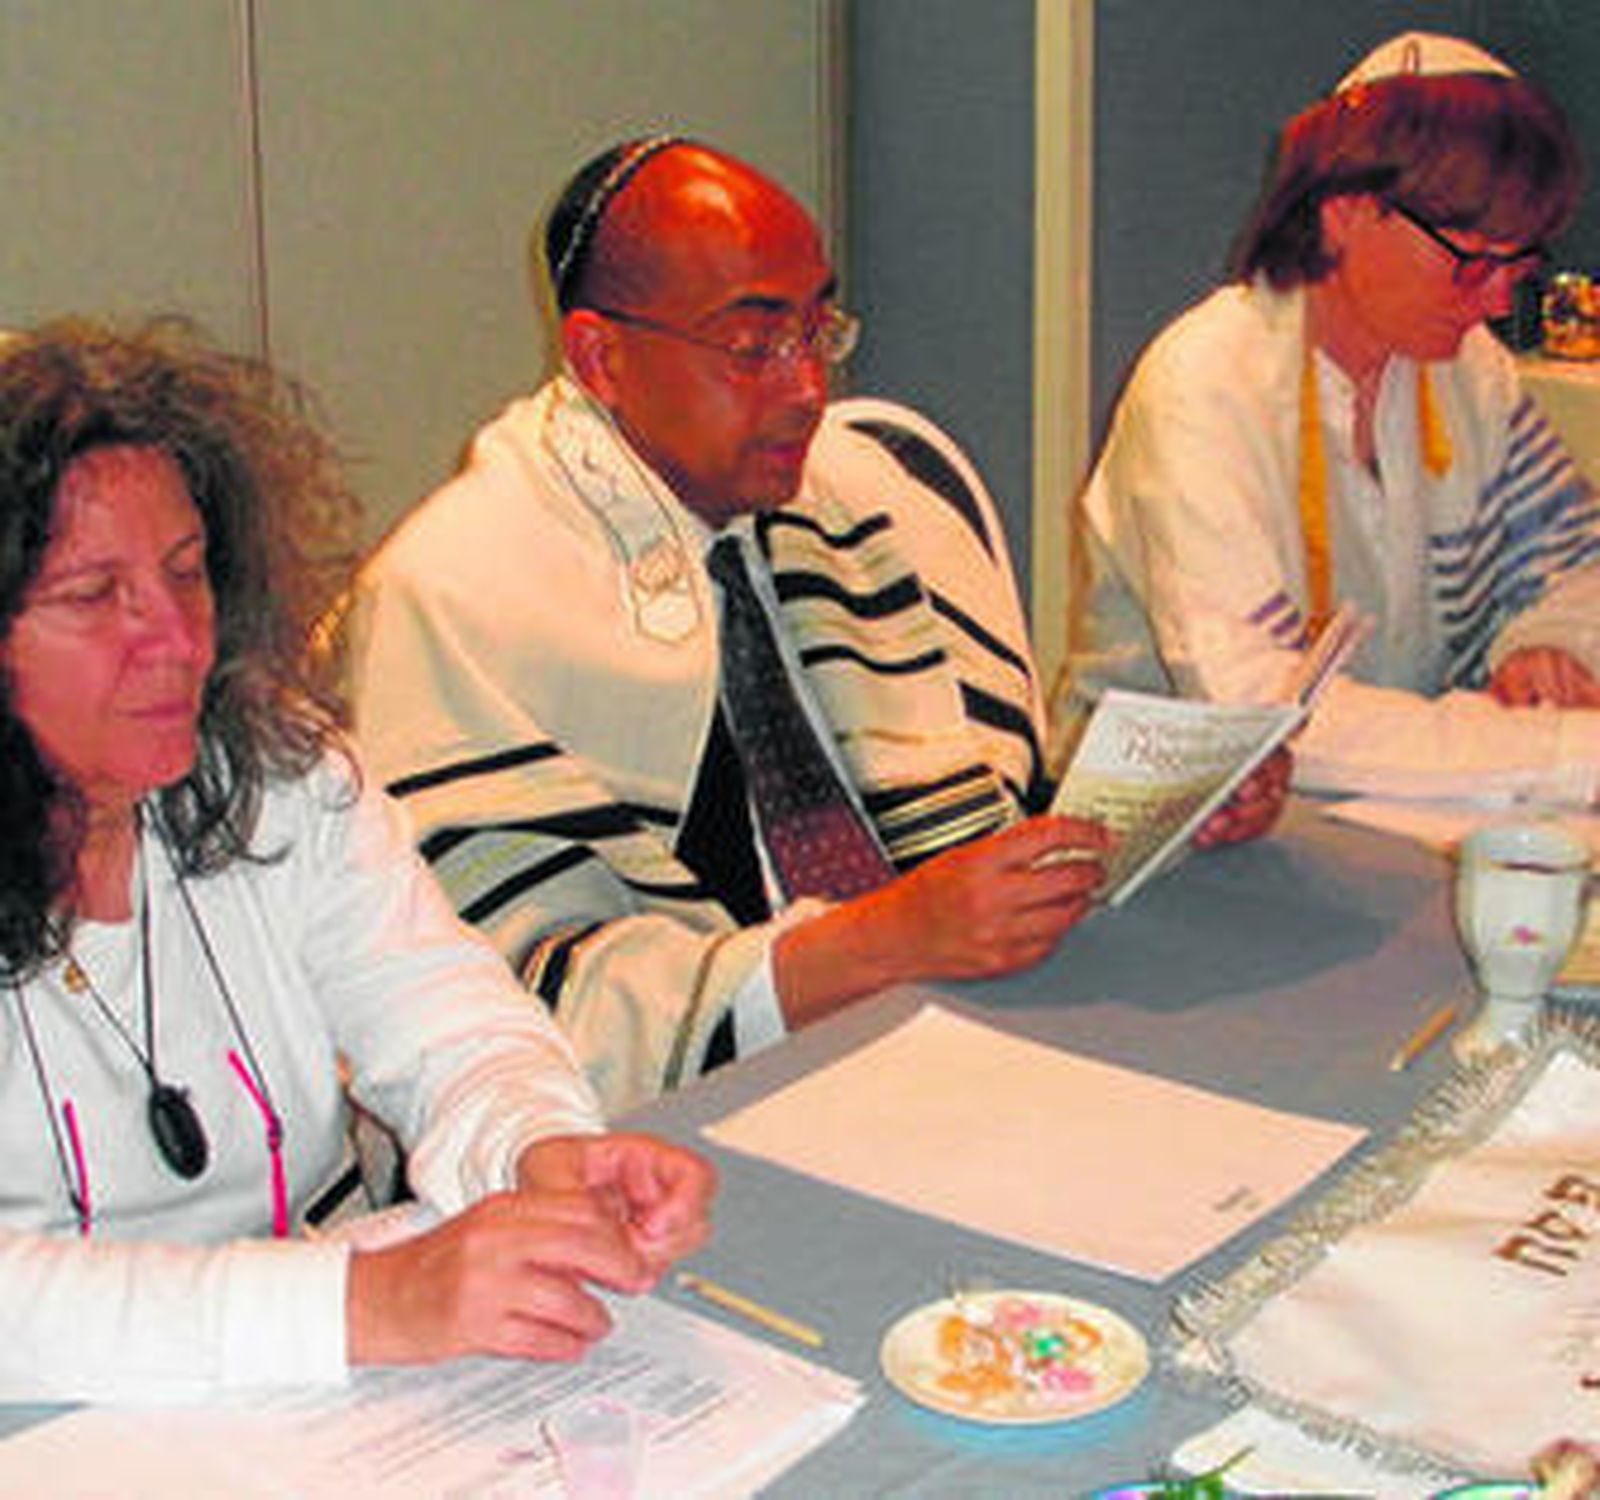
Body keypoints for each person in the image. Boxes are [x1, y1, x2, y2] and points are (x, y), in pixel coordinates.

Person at [343, 138, 1284, 1117]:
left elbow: (980, 808)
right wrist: (879, 942)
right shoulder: (454, 595)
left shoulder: (858, 498)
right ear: (599, 357)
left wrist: (1152, 815)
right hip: (699, 1121)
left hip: (947, 1036)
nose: (805, 390)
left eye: (815, 331)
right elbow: (488, 1011)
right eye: (752, 347)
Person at [0, 318, 714, 1404]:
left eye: (188, 574)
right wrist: (367, 1302)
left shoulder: (275, 769)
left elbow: (439, 1006)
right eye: (94, 597)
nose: (177, 642)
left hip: (298, 1391)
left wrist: (539, 1145)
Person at [1060, 31, 1600, 805]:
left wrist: (1549, 642)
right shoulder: (1204, 388)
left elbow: (1576, 564)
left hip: (1380, 815)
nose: (1498, 301)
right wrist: (1566, 751)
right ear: (1346, 211)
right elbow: (1259, 717)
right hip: (1172, 827)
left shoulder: (1469, 369)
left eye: (1521, 263)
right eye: (1472, 262)